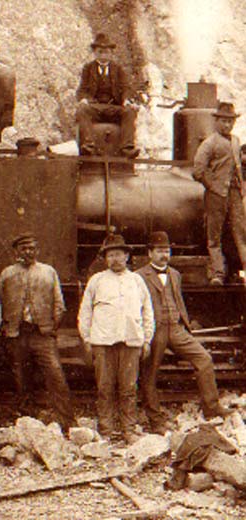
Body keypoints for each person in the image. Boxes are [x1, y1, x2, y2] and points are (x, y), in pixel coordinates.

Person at [137, 231, 231, 433]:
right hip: (154, 329)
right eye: (160, 251)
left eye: (167, 250)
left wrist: (185, 323)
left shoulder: (175, 274)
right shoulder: (139, 276)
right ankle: (156, 420)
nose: (164, 255)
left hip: (176, 327)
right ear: (150, 253)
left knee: (204, 359)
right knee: (149, 374)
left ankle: (212, 409)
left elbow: (178, 300)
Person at [78, 234, 154, 443]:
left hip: (130, 342)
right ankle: (106, 430)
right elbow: (85, 311)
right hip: (103, 342)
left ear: (127, 256)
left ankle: (129, 429)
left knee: (129, 388)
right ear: (105, 258)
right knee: (105, 388)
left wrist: (147, 339)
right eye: (110, 255)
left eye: (119, 255)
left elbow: (147, 310)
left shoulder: (137, 281)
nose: (115, 259)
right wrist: (86, 338)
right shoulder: (97, 280)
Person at [0, 233, 75, 429]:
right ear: (16, 251)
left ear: (37, 251)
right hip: (17, 333)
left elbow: (59, 304)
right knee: (21, 378)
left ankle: (66, 420)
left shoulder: (48, 272)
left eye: (32, 248)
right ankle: (26, 420)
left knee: (55, 375)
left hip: (42, 334)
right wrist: (6, 328)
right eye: (23, 249)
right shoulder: (7, 274)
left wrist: (50, 328)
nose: (28, 252)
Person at [193, 101, 246, 285]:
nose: (227, 125)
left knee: (241, 233)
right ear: (216, 122)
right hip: (216, 195)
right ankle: (217, 274)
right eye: (224, 121)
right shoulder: (209, 143)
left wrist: (242, 187)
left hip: (235, 194)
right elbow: (198, 171)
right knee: (214, 235)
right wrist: (213, 186)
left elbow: (239, 167)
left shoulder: (236, 141)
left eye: (230, 122)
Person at [76, 32, 140, 158]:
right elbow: (82, 89)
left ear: (111, 53)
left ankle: (127, 148)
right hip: (96, 107)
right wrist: (83, 99)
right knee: (82, 110)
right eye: (100, 52)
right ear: (95, 53)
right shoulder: (88, 68)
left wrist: (126, 100)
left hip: (113, 108)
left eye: (106, 52)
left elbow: (125, 87)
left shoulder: (118, 69)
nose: (103, 55)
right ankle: (89, 146)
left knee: (129, 112)